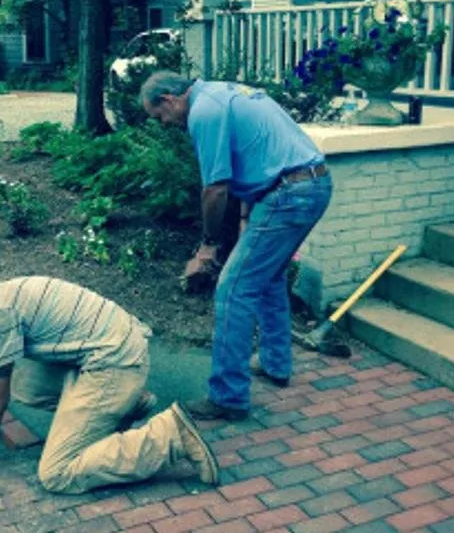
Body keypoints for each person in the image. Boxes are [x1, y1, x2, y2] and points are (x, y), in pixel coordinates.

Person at [141, 71, 332, 422]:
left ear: (169, 99)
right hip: (310, 184)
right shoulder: (220, 93)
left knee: (233, 290)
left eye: (160, 116)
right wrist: (245, 221)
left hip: (289, 193)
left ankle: (228, 397)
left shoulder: (204, 112)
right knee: (268, 277)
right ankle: (275, 364)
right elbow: (256, 157)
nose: (165, 124)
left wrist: (208, 248)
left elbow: (216, 189)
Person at [0, 274, 220, 493]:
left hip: (115, 364)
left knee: (57, 472)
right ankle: (127, 403)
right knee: (27, 382)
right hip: (116, 347)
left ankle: (170, 436)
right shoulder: (1, 292)